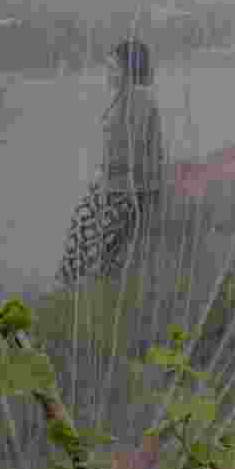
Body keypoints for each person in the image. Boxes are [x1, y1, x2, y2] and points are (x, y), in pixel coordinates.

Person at [56, 38, 165, 289]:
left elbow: (135, 152)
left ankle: (73, 288)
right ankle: (82, 287)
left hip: (129, 191)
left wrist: (104, 174)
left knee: (84, 238)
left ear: (128, 72)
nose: (108, 73)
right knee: (84, 234)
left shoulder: (138, 100)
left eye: (113, 68)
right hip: (116, 186)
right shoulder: (124, 98)